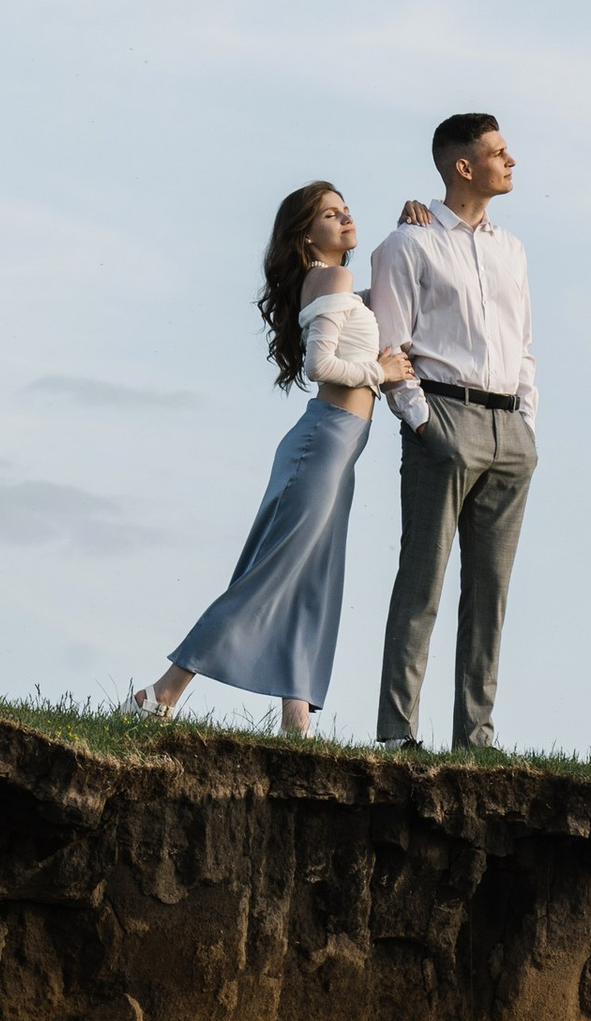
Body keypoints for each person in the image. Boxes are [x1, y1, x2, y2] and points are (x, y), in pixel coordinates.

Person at [133, 182, 414, 737]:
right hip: (324, 442)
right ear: (306, 235)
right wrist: (380, 374)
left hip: (339, 448)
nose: (344, 217)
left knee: (316, 581)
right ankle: (161, 692)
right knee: (271, 576)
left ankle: (295, 724)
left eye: (345, 209)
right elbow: (320, 365)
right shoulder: (333, 277)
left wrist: (411, 224)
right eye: (329, 214)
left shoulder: (335, 283)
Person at [364, 113, 536, 750]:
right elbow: (391, 342)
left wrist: (526, 425)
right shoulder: (407, 244)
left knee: (489, 593)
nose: (511, 160)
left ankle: (476, 737)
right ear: (464, 166)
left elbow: (524, 349)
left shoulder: (512, 249)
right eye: (498, 152)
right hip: (444, 418)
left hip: (508, 431)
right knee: (423, 582)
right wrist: (423, 422)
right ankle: (395, 732)